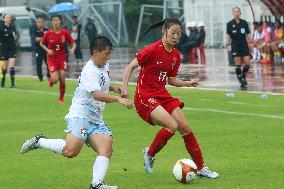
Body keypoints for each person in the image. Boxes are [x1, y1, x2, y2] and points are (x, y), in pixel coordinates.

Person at [21, 36, 132, 189]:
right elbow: (96, 94)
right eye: (106, 54)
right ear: (95, 52)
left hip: (96, 117)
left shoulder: (103, 65)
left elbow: (102, 84)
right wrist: (118, 99)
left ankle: (96, 184)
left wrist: (114, 88)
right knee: (70, 151)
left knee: (106, 146)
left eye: (109, 54)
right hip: (82, 114)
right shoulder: (89, 70)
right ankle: (39, 141)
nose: (108, 58)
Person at [121, 18, 219, 179]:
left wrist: (188, 83)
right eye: (173, 32)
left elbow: (171, 80)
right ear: (164, 32)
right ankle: (150, 154)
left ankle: (201, 168)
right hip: (145, 95)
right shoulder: (152, 49)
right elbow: (129, 67)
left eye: (179, 33)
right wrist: (124, 89)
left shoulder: (175, 55)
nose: (175, 36)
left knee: (185, 128)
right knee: (172, 125)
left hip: (162, 95)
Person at [40, 15, 76, 104]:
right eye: (53, 21)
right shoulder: (48, 33)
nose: (55, 22)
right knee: (55, 80)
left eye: (57, 20)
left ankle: (61, 98)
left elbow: (73, 43)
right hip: (51, 59)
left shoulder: (65, 33)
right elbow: (41, 43)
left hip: (62, 58)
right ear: (51, 23)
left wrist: (72, 49)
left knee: (62, 78)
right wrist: (48, 50)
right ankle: (51, 80)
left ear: (60, 21)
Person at [226, 7, 252, 89]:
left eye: (238, 11)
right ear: (233, 13)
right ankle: (241, 80)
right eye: (235, 12)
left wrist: (251, 43)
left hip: (244, 44)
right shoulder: (229, 24)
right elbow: (228, 34)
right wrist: (227, 43)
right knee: (238, 64)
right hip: (235, 44)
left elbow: (248, 33)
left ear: (240, 13)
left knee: (247, 63)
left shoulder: (244, 22)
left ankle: (243, 74)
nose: (236, 13)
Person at [0, 14, 18, 88]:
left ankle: (12, 83)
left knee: (12, 65)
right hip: (4, 48)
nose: (8, 19)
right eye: (7, 17)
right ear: (4, 19)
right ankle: (3, 80)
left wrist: (16, 37)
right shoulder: (1, 28)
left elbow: (16, 37)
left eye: (9, 18)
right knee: (4, 67)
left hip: (12, 48)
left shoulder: (13, 27)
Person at [31, 16, 49, 81]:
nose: (39, 23)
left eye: (40, 22)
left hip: (46, 49)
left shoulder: (47, 30)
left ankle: (48, 76)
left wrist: (40, 38)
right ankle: (40, 77)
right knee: (39, 63)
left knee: (48, 63)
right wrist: (44, 38)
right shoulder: (34, 30)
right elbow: (35, 39)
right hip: (38, 49)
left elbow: (49, 39)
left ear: (43, 23)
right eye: (37, 22)